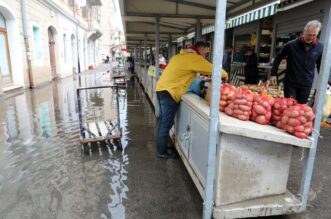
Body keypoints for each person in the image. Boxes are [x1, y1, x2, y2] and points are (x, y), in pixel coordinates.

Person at [155, 41, 227, 159]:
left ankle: (162, 147)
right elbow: (216, 70)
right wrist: (225, 74)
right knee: (165, 123)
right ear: (201, 50)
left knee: (164, 121)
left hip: (162, 89)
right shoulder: (194, 58)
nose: (206, 55)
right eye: (205, 51)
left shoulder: (179, 56)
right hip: (170, 92)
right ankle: (161, 153)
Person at [270, 20, 323, 104]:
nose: (312, 37)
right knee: (290, 106)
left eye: (314, 35)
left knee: (301, 109)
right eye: (309, 34)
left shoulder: (320, 47)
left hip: (306, 84)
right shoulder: (291, 45)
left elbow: (320, 65)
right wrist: (273, 74)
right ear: (304, 31)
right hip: (291, 83)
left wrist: (325, 82)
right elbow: (278, 58)